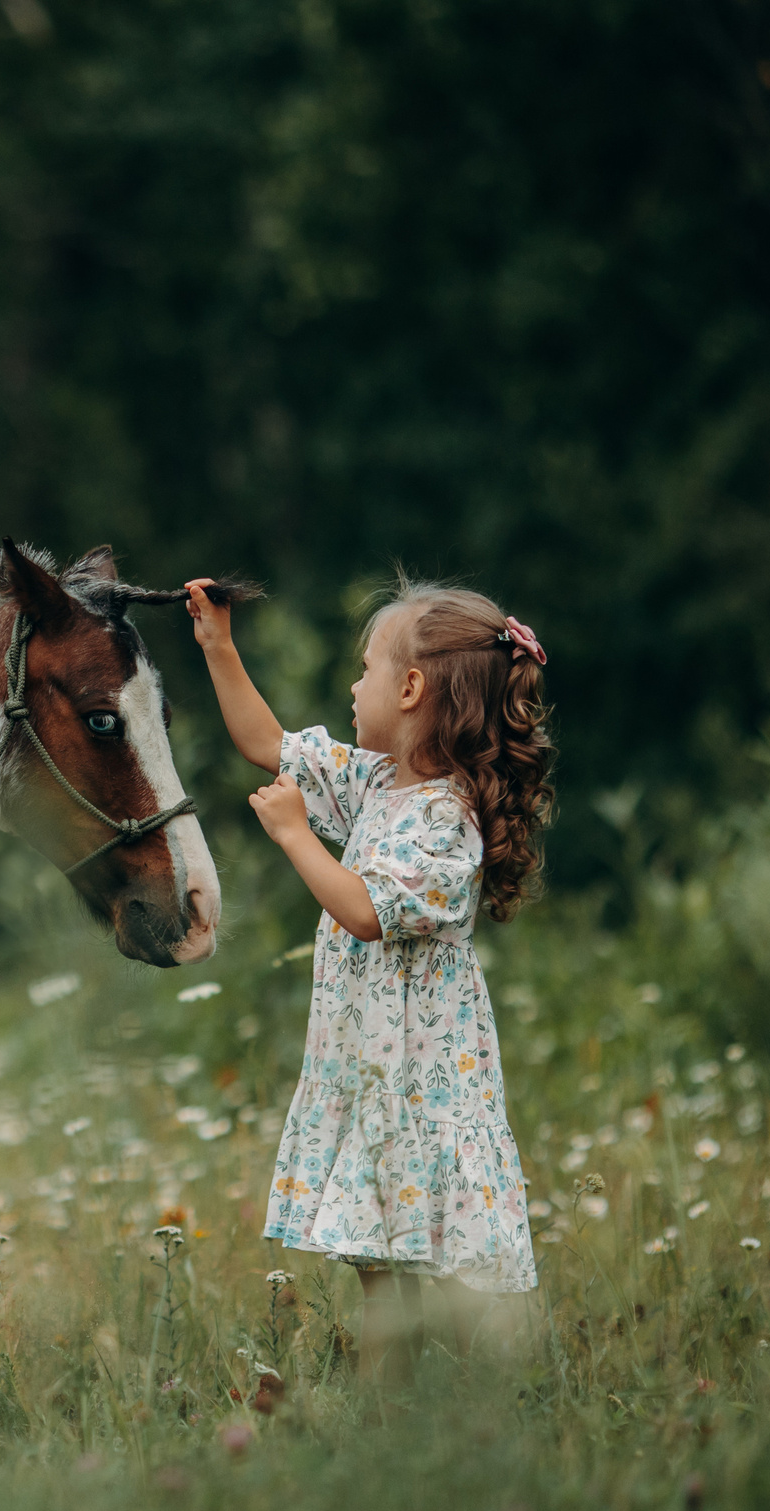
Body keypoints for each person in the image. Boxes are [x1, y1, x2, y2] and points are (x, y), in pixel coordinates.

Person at [183, 576, 557, 1379]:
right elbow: (269, 744)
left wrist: (293, 836)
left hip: (420, 1087)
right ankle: (396, 1411)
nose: (354, 687)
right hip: (374, 1077)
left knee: (432, 1269)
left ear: (413, 688)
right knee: (380, 1264)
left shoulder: (445, 820)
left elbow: (364, 909)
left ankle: (475, 1402)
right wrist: (218, 645)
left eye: (365, 670)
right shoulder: (377, 784)